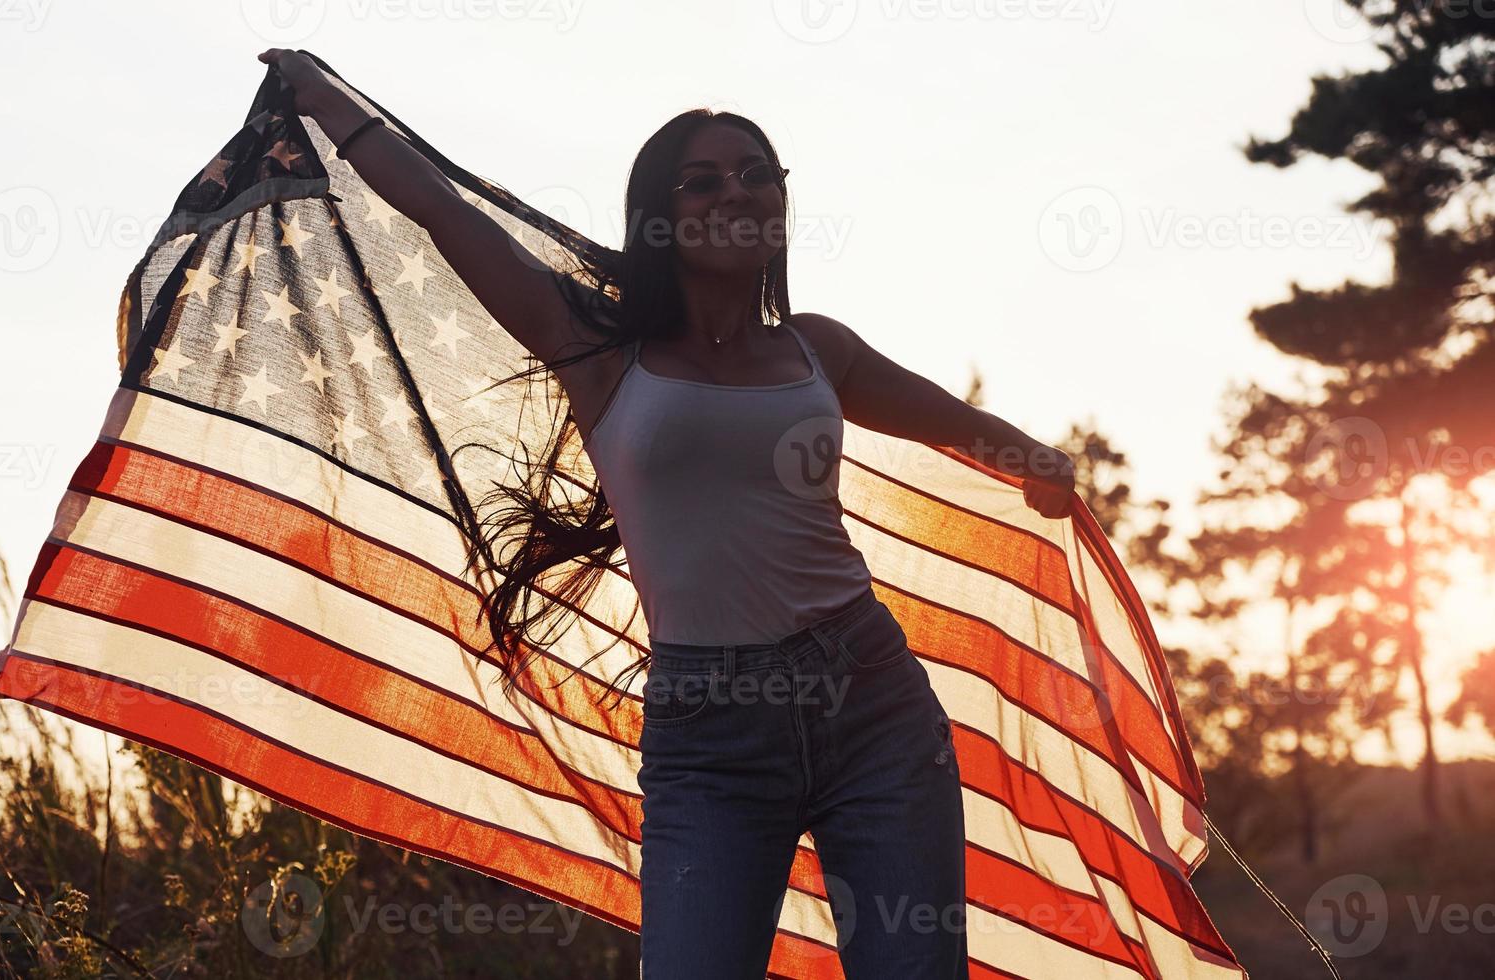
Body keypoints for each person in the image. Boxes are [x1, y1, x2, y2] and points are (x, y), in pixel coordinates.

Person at [259, 48, 1076, 979]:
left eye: (757, 174)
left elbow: (952, 419)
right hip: (711, 731)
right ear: (659, 217)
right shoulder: (594, 347)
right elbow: (446, 210)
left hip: (873, 702)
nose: (736, 192)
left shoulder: (819, 351)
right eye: (702, 182)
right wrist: (322, 96)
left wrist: (1034, 460)